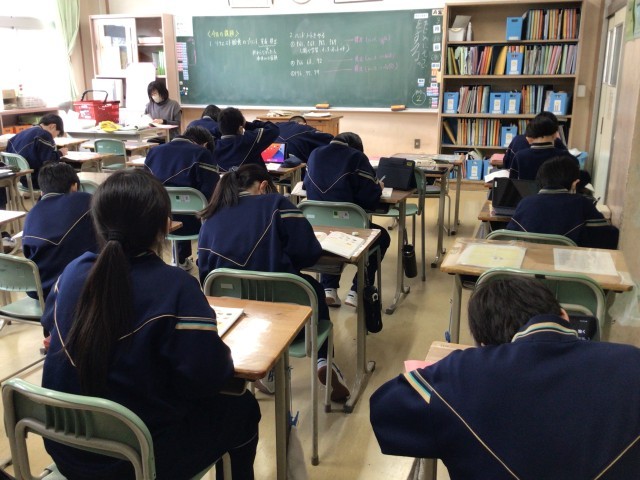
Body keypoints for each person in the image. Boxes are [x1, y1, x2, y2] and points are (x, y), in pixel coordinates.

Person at [41, 169, 260, 480]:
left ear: (98, 223)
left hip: (66, 448)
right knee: (243, 408)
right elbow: (210, 377)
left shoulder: (72, 273)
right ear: (163, 227)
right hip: (136, 459)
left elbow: (49, 332)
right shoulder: (176, 286)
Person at [370, 277, 640, 479]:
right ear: (564, 316)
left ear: (483, 346)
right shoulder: (632, 362)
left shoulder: (460, 376)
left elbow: (384, 410)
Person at [197, 164, 350, 402]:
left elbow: (205, 274)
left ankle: (267, 370)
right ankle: (323, 360)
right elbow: (308, 253)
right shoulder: (277, 204)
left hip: (233, 320)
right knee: (313, 289)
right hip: (287, 317)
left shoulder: (211, 215)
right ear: (264, 186)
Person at [303, 132, 390, 308]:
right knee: (382, 237)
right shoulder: (356, 157)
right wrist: (378, 187)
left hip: (317, 226)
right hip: (350, 224)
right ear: (356, 148)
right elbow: (370, 199)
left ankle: (328, 289)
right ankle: (357, 291)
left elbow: (306, 186)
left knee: (332, 237)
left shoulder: (315, 154)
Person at [145, 125, 220, 270]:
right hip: (197, 224)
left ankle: (180, 258)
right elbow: (212, 192)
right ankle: (206, 261)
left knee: (178, 203)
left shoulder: (153, 152)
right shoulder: (201, 154)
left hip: (160, 221)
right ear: (205, 145)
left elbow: (146, 186)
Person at [507, 155, 619, 249]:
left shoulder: (525, 202)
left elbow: (509, 236)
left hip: (529, 265)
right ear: (575, 184)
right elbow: (607, 240)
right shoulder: (582, 203)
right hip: (568, 267)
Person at [22, 162, 98, 300]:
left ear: (42, 191)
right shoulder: (84, 200)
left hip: (38, 291)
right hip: (73, 289)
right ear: (74, 187)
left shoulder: (32, 213)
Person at [6, 113, 67, 192]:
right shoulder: (44, 135)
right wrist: (60, 153)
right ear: (53, 126)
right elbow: (48, 161)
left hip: (17, 179)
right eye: (57, 133)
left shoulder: (26, 131)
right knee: (66, 177)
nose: (54, 137)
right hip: (34, 180)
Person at [214, 107, 279, 172]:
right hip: (253, 177)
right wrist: (247, 124)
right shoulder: (249, 140)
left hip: (224, 178)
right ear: (240, 128)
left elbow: (209, 132)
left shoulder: (213, 145)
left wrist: (223, 127)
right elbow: (273, 129)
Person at [509, 114, 571, 180]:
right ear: (555, 134)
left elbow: (512, 182)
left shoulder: (519, 156)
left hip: (525, 187)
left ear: (532, 133)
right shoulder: (565, 156)